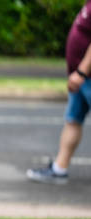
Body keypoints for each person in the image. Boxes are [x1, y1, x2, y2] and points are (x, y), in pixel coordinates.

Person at [27, 1, 91, 184]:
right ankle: (59, 168)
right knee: (73, 121)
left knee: (73, 121)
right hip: (80, 79)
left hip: (85, 76)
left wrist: (81, 72)